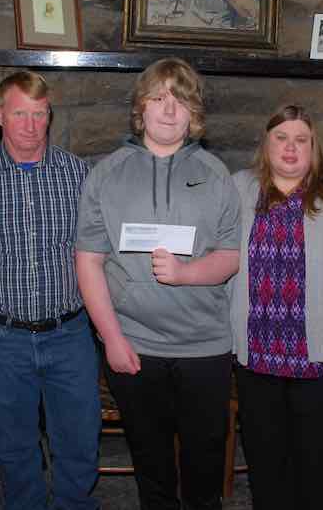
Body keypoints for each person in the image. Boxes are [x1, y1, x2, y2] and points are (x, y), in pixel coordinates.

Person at [75, 57, 241, 510]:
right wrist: (110, 338)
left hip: (204, 348)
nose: (169, 110)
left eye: (181, 100)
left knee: (203, 472)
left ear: (194, 114)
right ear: (141, 108)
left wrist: (186, 273)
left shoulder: (216, 174)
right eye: (159, 98)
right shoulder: (106, 174)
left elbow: (229, 257)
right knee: (153, 472)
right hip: (135, 347)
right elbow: (88, 261)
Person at [0, 71, 99, 510]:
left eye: (40, 114)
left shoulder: (78, 174)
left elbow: (92, 250)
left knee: (77, 443)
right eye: (20, 114)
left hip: (69, 333)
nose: (31, 125)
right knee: (15, 449)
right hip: (2, 338)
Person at [229, 105, 323, 509]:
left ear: (314, 147)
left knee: (318, 464)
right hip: (256, 354)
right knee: (265, 462)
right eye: (281, 138)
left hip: (322, 355)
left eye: (301, 140)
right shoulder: (240, 188)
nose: (290, 148)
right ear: (266, 143)